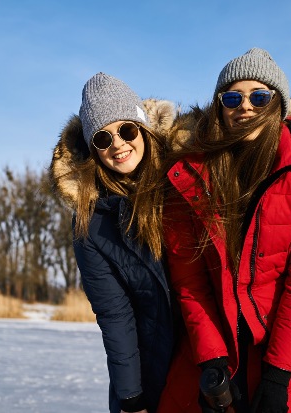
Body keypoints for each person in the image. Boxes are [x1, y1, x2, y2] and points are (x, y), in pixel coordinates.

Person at [157, 48, 291, 413]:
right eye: (233, 97)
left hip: (282, 351)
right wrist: (210, 360)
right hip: (210, 349)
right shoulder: (188, 176)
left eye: (259, 97)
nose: (245, 107)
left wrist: (277, 376)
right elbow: (189, 280)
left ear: (277, 105)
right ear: (219, 107)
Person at [49, 72, 177, 413]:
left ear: (145, 129)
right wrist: (131, 398)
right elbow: (115, 314)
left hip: (212, 357)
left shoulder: (185, 177)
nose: (118, 144)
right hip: (149, 368)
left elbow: (244, 134)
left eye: (127, 129)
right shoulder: (90, 222)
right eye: (102, 138)